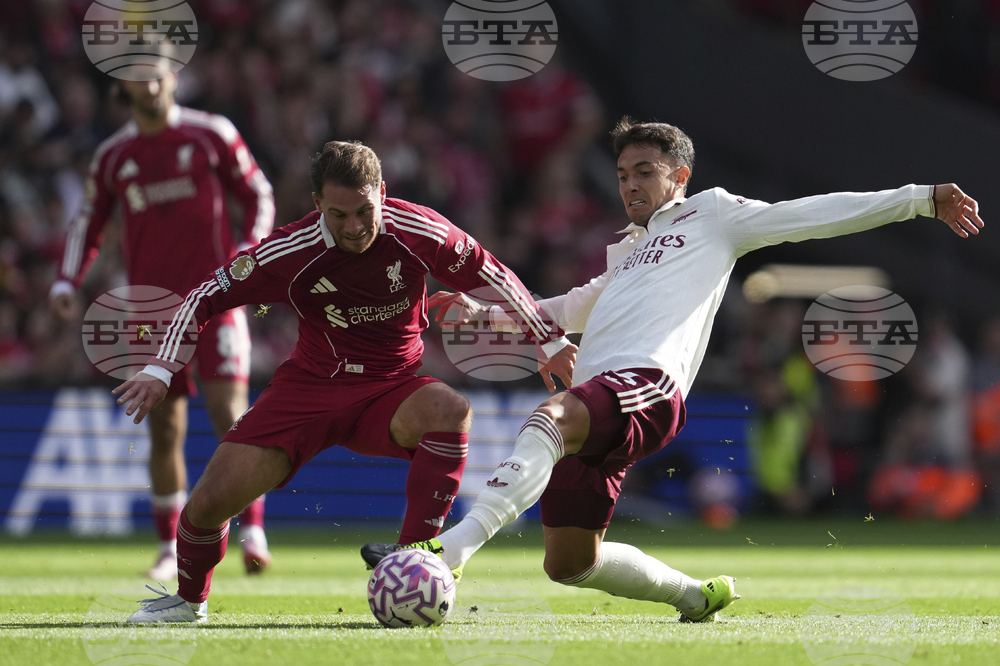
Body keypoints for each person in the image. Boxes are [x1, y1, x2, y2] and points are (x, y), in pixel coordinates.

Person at [362, 116, 985, 622]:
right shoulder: (626, 253)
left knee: (549, 415)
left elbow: (809, 214)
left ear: (679, 175)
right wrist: (482, 315)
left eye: (644, 172)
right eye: (623, 175)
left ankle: (446, 550)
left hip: (647, 387)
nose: (630, 185)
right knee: (570, 562)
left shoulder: (711, 215)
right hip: (598, 398)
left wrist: (919, 200)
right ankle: (696, 596)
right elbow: (556, 310)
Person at [113, 140, 577, 623]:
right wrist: (160, 367)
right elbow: (205, 293)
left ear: (381, 190)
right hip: (308, 392)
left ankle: (416, 561)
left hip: (391, 388)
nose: (355, 227)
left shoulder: (418, 230)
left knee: (451, 410)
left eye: (364, 211)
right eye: (339, 215)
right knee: (207, 506)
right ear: (317, 205)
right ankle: (189, 602)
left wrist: (549, 340)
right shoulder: (290, 251)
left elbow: (490, 271)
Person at [50, 67, 276, 579]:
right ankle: (167, 548)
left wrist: (248, 252)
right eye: (137, 79)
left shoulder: (211, 133)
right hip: (150, 310)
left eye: (156, 76)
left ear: (173, 77)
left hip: (215, 301)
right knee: (164, 427)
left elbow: (257, 194)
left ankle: (253, 528)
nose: (149, 87)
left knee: (231, 417)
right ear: (123, 87)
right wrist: (67, 281)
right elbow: (87, 221)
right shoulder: (113, 156)